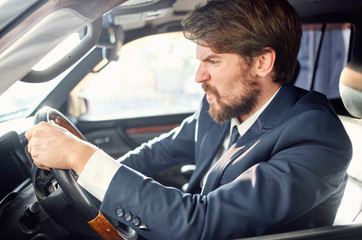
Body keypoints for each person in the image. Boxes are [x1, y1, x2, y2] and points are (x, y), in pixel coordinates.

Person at [25, 0, 352, 239]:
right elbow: (156, 153)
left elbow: (203, 224)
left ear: (262, 62)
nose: (198, 76)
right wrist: (87, 179)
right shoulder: (224, 105)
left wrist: (82, 156)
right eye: (199, 60)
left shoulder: (317, 137)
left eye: (213, 60)